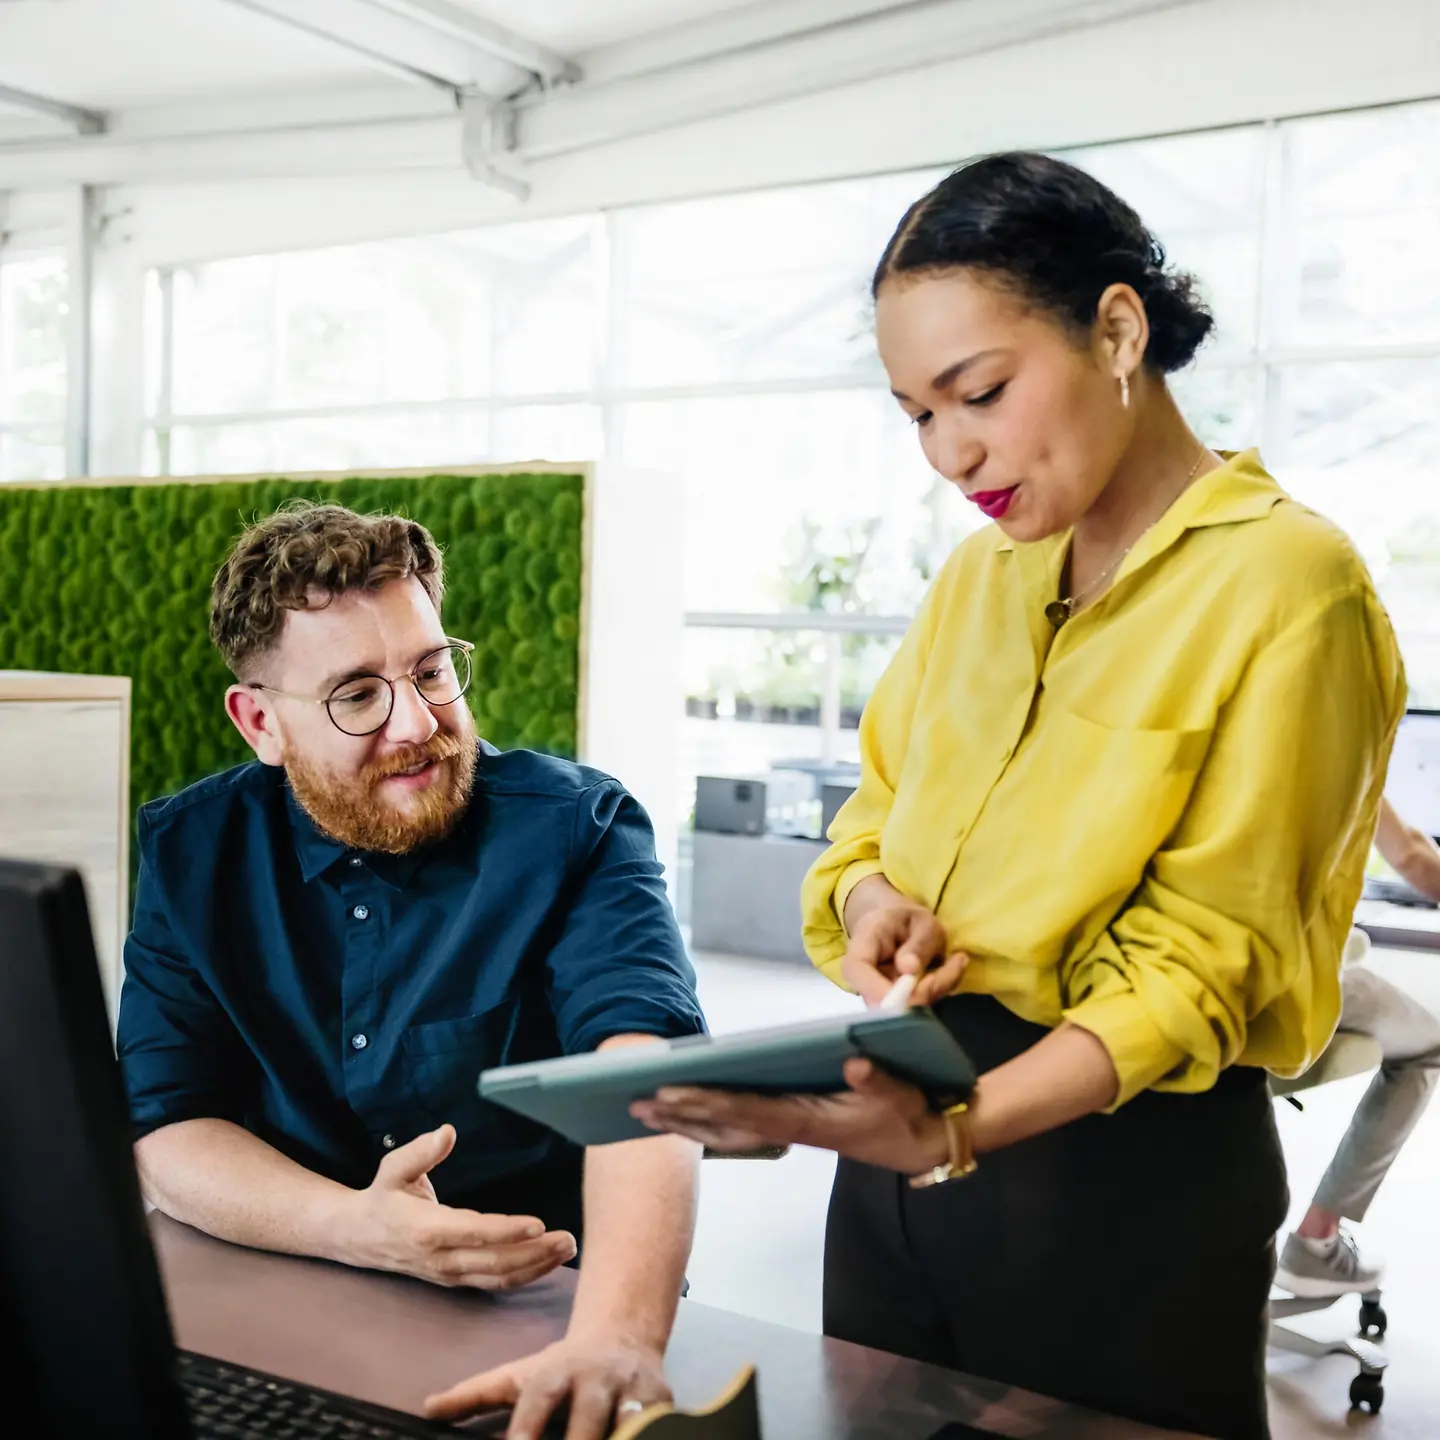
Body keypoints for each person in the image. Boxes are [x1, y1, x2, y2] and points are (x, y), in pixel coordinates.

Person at [631, 152, 1405, 1440]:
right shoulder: (980, 581)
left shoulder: (1291, 586)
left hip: (1121, 1183)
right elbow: (870, 821)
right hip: (896, 1157)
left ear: (1116, 328)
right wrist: (877, 894)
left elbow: (1210, 965)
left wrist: (953, 1133)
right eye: (915, 414)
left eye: (976, 393)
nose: (949, 452)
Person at [117, 502, 705, 1440]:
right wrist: (356, 1226)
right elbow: (169, 1119)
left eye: (431, 671)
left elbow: (648, 1077)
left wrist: (622, 1336)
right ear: (260, 721)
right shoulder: (195, 853)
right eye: (356, 694)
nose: (416, 724)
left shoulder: (576, 829)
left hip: (540, 1316)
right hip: (276, 1282)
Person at [1275, 798, 1440, 1298]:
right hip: (1285, 975)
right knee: (1430, 1045)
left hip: (1175, 979)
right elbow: (1413, 857)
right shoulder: (1336, 730)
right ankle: (1317, 1239)